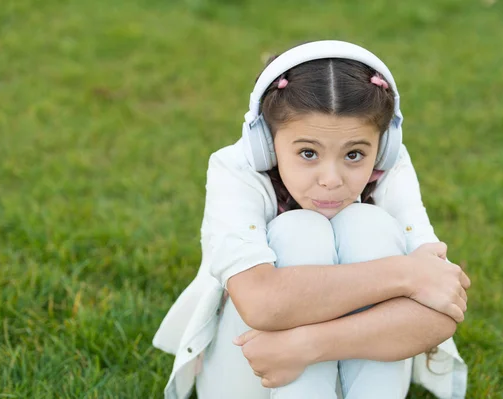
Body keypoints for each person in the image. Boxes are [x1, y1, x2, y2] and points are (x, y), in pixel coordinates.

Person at [153, 40, 472, 399]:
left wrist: (306, 344)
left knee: (368, 224)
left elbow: (441, 311)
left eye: (354, 154)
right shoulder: (235, 169)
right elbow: (260, 303)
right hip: (257, 366)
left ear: (384, 145)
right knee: (299, 229)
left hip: (304, 353)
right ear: (266, 143)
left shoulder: (390, 167)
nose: (331, 179)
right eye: (308, 153)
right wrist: (406, 274)